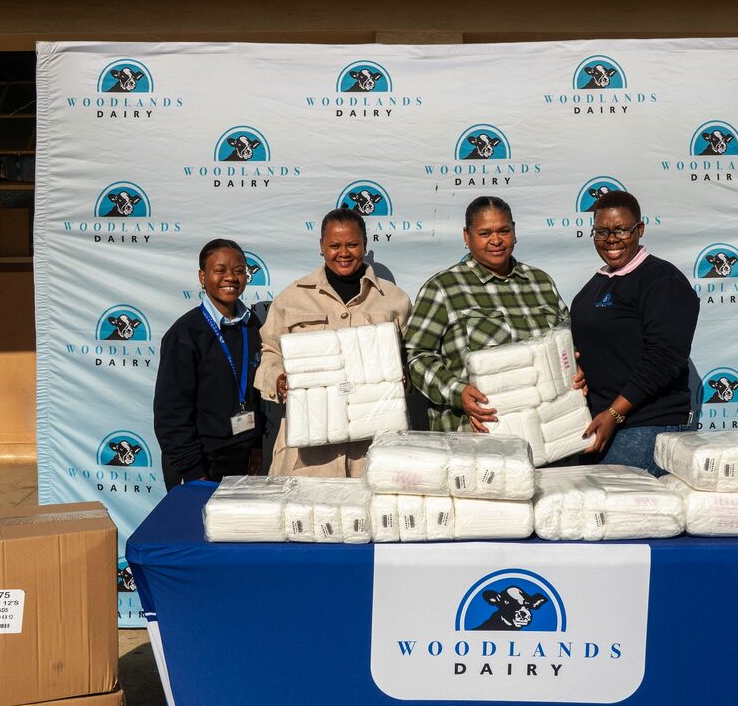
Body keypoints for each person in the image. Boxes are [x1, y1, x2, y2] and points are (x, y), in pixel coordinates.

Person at [255, 207, 412, 477]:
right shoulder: (292, 298)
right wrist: (277, 379)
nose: (343, 252)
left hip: (373, 453)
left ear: (364, 243)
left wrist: (404, 377)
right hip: (308, 459)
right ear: (321, 246)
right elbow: (270, 351)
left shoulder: (394, 299)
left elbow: (411, 355)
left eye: (352, 244)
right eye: (334, 245)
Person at [405, 196, 575, 433]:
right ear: (467, 236)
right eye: (485, 233)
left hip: (550, 433)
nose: (496, 240)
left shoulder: (541, 282)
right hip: (476, 436)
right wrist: (457, 391)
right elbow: (416, 356)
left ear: (514, 231)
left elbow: (566, 345)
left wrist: (576, 373)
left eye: (504, 230)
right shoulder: (443, 288)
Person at [569, 190, 700, 476]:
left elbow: (664, 358)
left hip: (648, 423)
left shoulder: (662, 280)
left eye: (621, 230)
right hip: (600, 423)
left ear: (639, 230)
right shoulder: (594, 286)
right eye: (602, 231)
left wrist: (614, 414)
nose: (611, 239)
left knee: (611, 505)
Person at [154, 238, 266, 490]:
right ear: (202, 277)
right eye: (220, 270)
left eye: (239, 271)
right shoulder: (185, 334)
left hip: (241, 458)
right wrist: (193, 470)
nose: (231, 277)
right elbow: (170, 413)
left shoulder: (252, 326)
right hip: (200, 463)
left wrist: (255, 444)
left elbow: (255, 394)